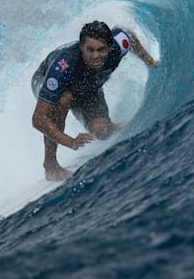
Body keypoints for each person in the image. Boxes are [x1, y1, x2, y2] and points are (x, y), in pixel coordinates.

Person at [31, 21, 158, 181]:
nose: (95, 56)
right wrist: (71, 142)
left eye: (101, 49)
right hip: (45, 80)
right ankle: (50, 165)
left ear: (110, 47)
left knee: (102, 132)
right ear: (81, 47)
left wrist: (150, 61)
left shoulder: (119, 45)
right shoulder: (63, 66)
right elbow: (38, 119)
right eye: (89, 50)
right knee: (64, 99)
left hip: (87, 89)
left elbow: (128, 36)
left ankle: (111, 125)